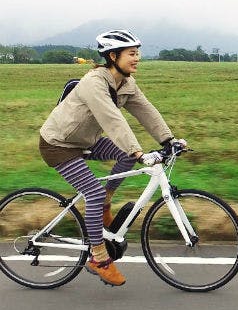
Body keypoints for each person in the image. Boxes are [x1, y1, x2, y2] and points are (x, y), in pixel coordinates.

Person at [39, 29, 186, 286]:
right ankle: (98, 257)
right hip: (58, 145)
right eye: (132, 53)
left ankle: (106, 202)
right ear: (113, 56)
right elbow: (112, 119)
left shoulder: (126, 84)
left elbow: (146, 111)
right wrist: (139, 152)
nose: (137, 58)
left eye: (137, 53)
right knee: (93, 192)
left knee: (123, 158)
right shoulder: (94, 83)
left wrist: (168, 140)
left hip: (87, 141)